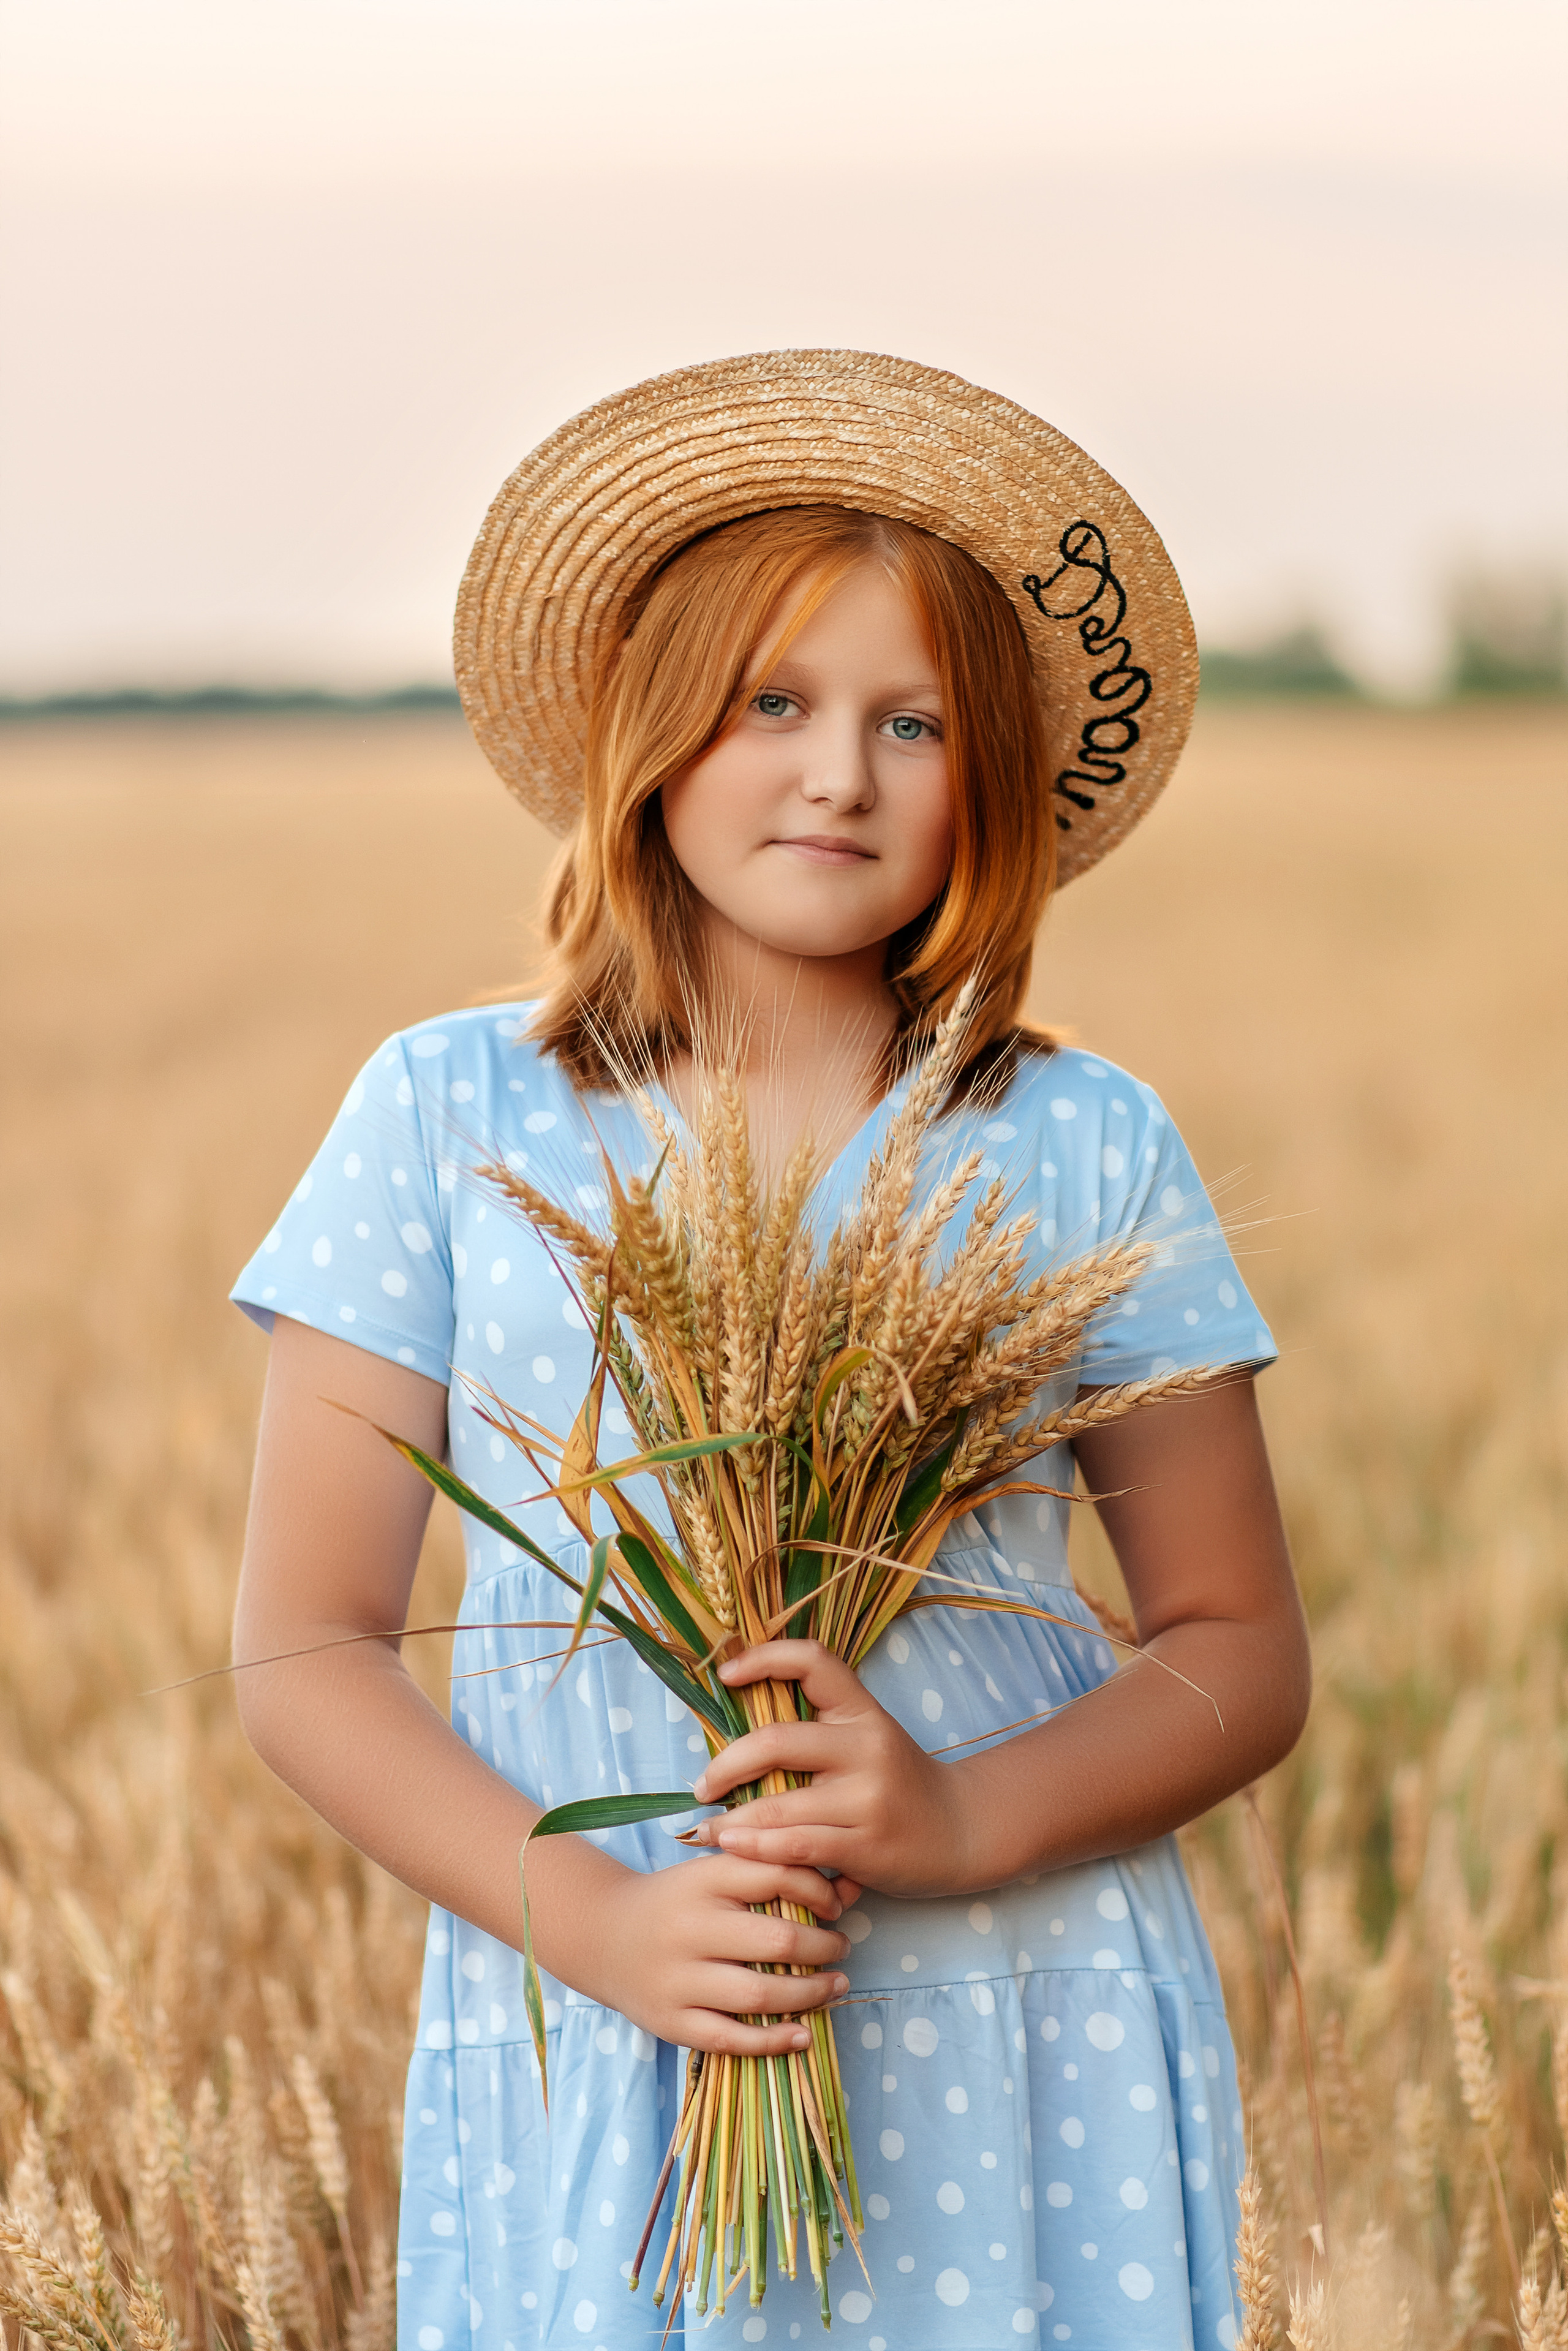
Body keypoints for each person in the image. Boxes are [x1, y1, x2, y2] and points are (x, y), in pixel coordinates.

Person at [232, 350, 1310, 2351]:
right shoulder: (452, 1112)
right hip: (610, 2009)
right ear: (650, 730)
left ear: (991, 778)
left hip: (1018, 2014)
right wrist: (599, 1922)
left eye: (917, 723)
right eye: (773, 704)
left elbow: (1237, 1645)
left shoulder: (1078, 1137)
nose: (841, 777)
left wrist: (965, 1824)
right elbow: (305, 1646)